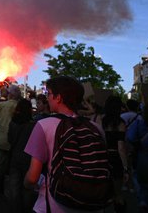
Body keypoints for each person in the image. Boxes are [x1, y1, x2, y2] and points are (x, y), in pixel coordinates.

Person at [23, 76, 106, 213]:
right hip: (92, 204)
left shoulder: (43, 126)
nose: (47, 98)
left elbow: (32, 177)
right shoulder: (96, 128)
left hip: (53, 205)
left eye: (49, 93)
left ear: (58, 98)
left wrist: (26, 184)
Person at [0, 84, 22, 199]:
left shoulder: (2, 105)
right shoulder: (20, 107)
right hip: (15, 143)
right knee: (12, 172)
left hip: (1, 140)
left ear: (10, 94)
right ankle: (9, 195)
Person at [96, 95, 129, 212]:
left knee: (100, 193)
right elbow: (121, 147)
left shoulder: (99, 119)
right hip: (115, 159)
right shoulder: (120, 123)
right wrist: (125, 167)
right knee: (118, 194)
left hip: (100, 158)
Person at [7, 98, 36, 213]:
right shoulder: (33, 125)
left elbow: (10, 140)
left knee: (14, 187)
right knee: (27, 188)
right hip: (28, 159)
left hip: (15, 157)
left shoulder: (13, 123)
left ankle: (15, 209)